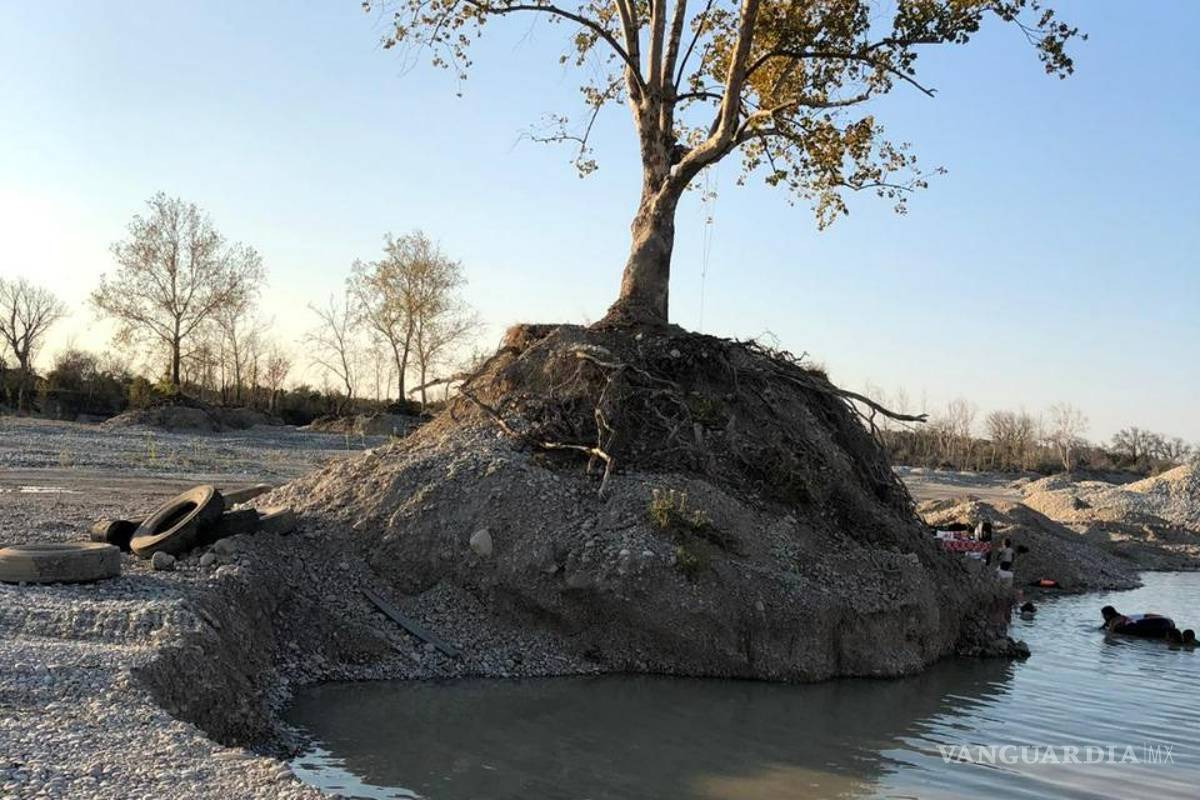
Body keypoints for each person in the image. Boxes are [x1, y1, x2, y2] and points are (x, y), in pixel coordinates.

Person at [1100, 605, 1196, 643]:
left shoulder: (1115, 622)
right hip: (1167, 621)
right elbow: (1147, 615)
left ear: (1107, 616)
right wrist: (1167, 619)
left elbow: (1110, 634)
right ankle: (1186, 639)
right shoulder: (1130, 616)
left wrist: (1109, 631)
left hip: (1153, 626)